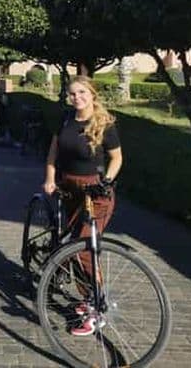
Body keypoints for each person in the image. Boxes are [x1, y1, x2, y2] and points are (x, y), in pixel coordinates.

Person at [42, 75, 122, 336]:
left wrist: (107, 180)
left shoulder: (104, 123)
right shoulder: (65, 119)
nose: (77, 98)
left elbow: (117, 158)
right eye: (73, 93)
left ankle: (96, 309)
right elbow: (53, 151)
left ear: (92, 94)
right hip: (69, 189)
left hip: (96, 192)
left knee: (83, 247)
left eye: (82, 93)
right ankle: (87, 297)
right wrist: (50, 178)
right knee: (73, 244)